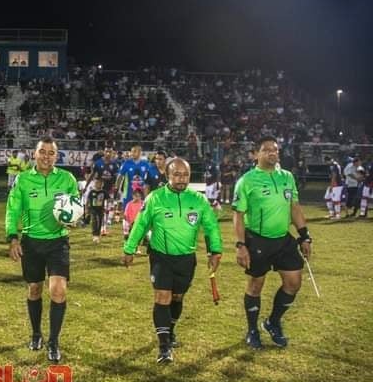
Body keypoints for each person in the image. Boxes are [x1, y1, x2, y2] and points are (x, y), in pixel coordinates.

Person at [122, 158, 222, 364]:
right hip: (161, 257)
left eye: (185, 175)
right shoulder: (155, 198)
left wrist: (215, 251)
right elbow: (140, 224)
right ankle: (164, 346)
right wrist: (129, 249)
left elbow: (211, 226)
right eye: (176, 174)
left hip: (186, 258)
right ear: (167, 176)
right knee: (162, 297)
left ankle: (170, 330)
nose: (181, 179)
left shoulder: (198, 200)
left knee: (177, 297)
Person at [232, 136, 312, 350]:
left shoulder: (287, 177)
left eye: (275, 149)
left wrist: (304, 235)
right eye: (266, 149)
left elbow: (294, 207)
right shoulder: (247, 181)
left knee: (294, 283)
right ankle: (252, 330)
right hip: (257, 240)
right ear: (256, 154)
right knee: (255, 285)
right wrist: (241, 245)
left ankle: (272, 322)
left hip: (283, 239)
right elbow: (238, 215)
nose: (272, 153)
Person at [5, 136, 79, 363]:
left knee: (58, 290)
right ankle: (36, 333)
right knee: (34, 289)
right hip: (31, 242)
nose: (46, 156)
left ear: (57, 156)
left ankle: (53, 342)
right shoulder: (23, 180)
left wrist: (73, 219)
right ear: (34, 154)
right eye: (42, 152)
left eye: (51, 153)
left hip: (58, 242)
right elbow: (12, 210)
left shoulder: (67, 179)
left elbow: (76, 208)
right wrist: (12, 238)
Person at [86, 177, 107, 244]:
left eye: (100, 183)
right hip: (93, 209)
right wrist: (86, 208)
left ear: (102, 184)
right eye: (97, 183)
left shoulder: (104, 192)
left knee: (100, 221)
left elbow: (108, 199)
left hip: (101, 209)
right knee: (94, 221)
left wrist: (107, 207)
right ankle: (94, 235)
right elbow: (88, 200)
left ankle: (98, 234)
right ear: (94, 184)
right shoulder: (91, 192)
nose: (99, 184)